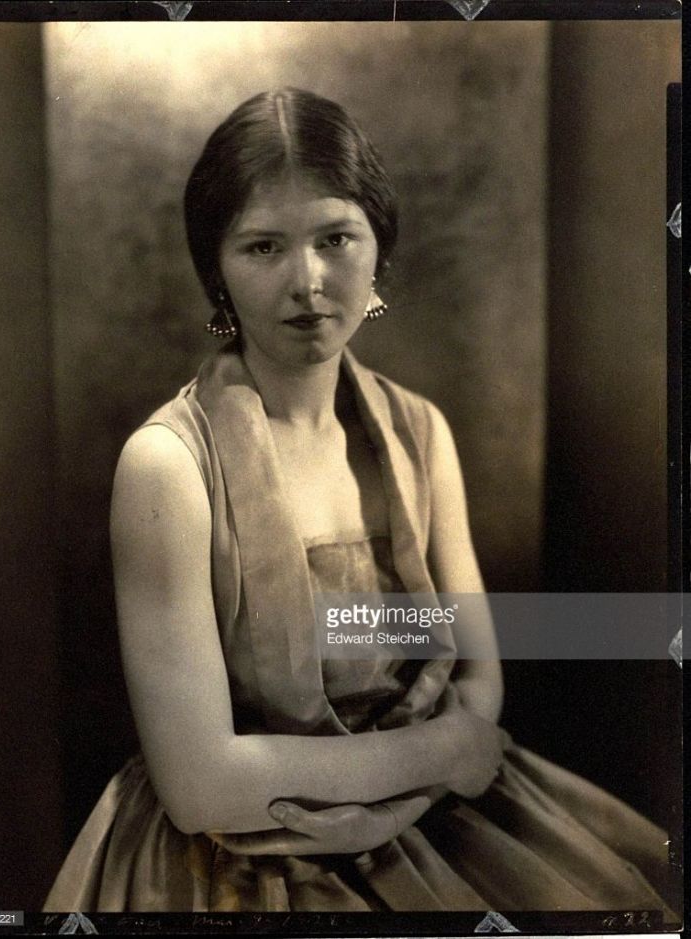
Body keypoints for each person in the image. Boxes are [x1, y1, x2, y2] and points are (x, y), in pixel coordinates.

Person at [43, 88, 678, 917]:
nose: (307, 281)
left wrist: (408, 797)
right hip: (238, 849)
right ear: (217, 271)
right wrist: (441, 754)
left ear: (379, 249)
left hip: (441, 812)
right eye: (263, 246)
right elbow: (200, 783)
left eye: (336, 238)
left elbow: (479, 676)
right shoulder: (167, 465)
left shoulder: (420, 432)